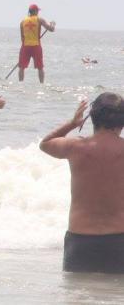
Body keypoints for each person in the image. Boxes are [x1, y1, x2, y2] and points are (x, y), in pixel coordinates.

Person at [40, 94, 124, 273]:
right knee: (116, 297)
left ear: (92, 117)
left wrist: (72, 123)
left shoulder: (75, 147)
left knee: (79, 295)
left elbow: (45, 144)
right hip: (119, 240)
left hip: (80, 240)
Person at [18, 3, 56, 83]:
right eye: (37, 11)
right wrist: (52, 24)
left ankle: (20, 83)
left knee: (21, 67)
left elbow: (22, 37)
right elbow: (51, 29)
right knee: (40, 67)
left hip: (25, 46)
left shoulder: (22, 22)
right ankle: (41, 84)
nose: (38, 12)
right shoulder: (39, 20)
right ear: (35, 11)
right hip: (36, 46)